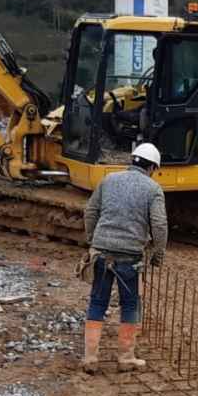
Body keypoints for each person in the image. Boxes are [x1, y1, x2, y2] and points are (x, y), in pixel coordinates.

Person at [81, 142, 168, 373]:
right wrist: (158, 254)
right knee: (130, 304)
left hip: (101, 253)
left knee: (97, 302)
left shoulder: (108, 180)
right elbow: (159, 225)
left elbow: (90, 211)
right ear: (151, 167)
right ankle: (126, 358)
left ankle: (90, 358)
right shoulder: (153, 189)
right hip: (129, 256)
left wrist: (93, 240)